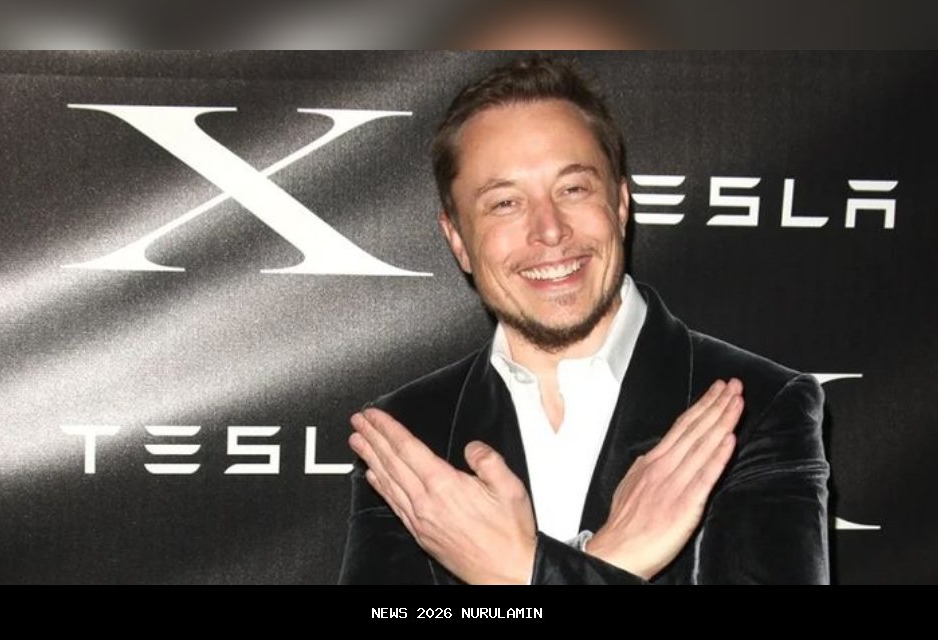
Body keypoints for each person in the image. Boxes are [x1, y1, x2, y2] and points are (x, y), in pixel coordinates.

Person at [338, 57, 830, 585]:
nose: (549, 230)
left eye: (573, 189)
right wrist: (612, 559)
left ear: (620, 204)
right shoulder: (408, 433)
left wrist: (513, 573)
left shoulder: (758, 407)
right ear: (458, 239)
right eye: (505, 203)